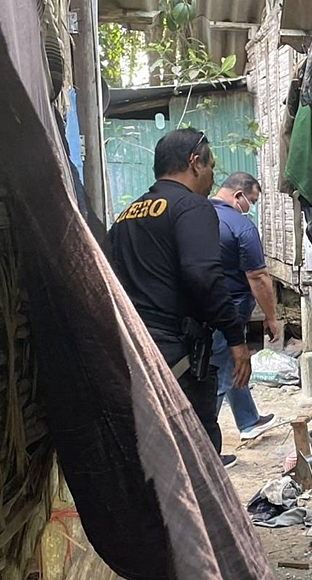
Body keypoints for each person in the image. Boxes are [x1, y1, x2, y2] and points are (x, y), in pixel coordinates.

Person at [108, 127, 249, 469]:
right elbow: (204, 276)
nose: (212, 176)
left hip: (129, 352)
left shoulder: (126, 217)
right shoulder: (192, 207)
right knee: (197, 458)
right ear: (195, 162)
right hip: (176, 356)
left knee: (150, 460)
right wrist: (235, 337)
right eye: (211, 166)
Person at [208, 172, 279, 441]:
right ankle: (206, 446)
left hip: (199, 309)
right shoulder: (240, 225)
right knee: (220, 374)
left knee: (231, 364)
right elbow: (258, 277)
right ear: (238, 195)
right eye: (252, 201)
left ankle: (248, 420)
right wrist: (271, 317)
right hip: (229, 312)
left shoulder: (197, 216)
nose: (251, 207)